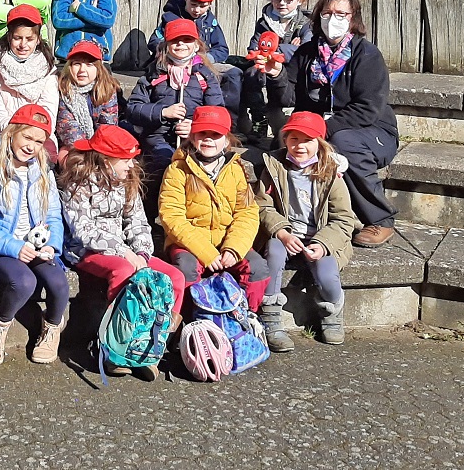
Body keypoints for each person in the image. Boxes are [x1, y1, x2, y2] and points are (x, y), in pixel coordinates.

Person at [264, 0, 400, 248]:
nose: (332, 19)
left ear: (353, 18)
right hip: (319, 128)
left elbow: (368, 108)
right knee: (280, 147)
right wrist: (276, 74)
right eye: (327, 13)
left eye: (341, 14)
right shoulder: (306, 53)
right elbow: (287, 97)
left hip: (372, 130)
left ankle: (381, 219)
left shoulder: (367, 55)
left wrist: (318, 131)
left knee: (343, 142)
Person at [57, 125, 184, 377]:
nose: (131, 165)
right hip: (87, 250)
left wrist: (144, 253)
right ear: (106, 159)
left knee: (175, 278)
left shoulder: (127, 181)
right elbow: (83, 229)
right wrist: (122, 252)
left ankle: (153, 346)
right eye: (125, 159)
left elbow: (137, 221)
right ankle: (115, 346)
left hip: (126, 249)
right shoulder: (77, 182)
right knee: (124, 271)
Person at [0, 105, 67, 366]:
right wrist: (14, 247)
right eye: (27, 137)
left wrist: (52, 246)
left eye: (39, 141)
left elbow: (54, 217)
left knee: (58, 283)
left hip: (38, 245)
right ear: (12, 133)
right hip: (2, 249)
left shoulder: (44, 172)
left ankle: (51, 330)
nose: (31, 146)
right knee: (24, 282)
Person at [157, 105, 270, 314]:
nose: (208, 139)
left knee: (258, 268)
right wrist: (206, 252)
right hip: (189, 243)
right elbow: (171, 216)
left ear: (226, 140)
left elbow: (247, 213)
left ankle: (243, 317)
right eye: (202, 133)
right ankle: (190, 322)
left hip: (227, 241)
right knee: (186, 269)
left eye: (215, 134)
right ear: (192, 136)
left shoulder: (237, 169)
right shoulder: (178, 170)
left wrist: (234, 248)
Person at [256, 112, 354, 352]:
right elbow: (262, 205)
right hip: (285, 234)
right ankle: (271, 317)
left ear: (319, 143)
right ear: (285, 140)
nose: (299, 146)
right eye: (293, 139)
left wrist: (322, 243)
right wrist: (282, 231)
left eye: (307, 140)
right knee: (274, 254)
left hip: (320, 236)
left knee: (327, 273)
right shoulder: (274, 166)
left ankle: (331, 312)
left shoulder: (331, 173)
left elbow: (344, 218)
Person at [126, 18, 224, 188]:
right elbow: (133, 108)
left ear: (196, 44)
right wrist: (163, 112)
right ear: (166, 44)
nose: (181, 44)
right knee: (164, 163)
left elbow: (218, 113)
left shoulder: (205, 76)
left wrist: (195, 128)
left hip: (196, 139)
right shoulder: (153, 74)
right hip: (157, 137)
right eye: (175, 40)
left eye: (187, 40)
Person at [147, 0, 242, 129]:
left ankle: (227, 124)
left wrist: (205, 58)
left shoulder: (210, 21)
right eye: (193, 4)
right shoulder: (171, 18)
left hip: (202, 64)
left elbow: (222, 49)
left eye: (203, 5)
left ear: (210, 4)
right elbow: (154, 41)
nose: (197, 10)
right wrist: (171, 51)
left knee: (234, 74)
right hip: (174, 64)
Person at [0, 5, 59, 160]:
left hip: (37, 134)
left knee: (46, 154)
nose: (23, 45)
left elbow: (48, 111)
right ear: (9, 37)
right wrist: (15, 132)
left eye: (29, 39)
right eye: (18, 38)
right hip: (3, 131)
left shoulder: (48, 70)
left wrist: (29, 135)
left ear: (38, 40)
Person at [241, 0, 312, 140]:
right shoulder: (264, 22)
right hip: (265, 66)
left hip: (292, 70)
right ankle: (259, 117)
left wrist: (273, 49)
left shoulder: (306, 23)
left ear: (299, 0)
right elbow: (253, 48)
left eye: (289, 0)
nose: (282, 4)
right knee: (251, 74)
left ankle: (292, 126)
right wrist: (289, 48)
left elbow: (305, 52)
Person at [54, 41, 120, 154]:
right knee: (65, 156)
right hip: (72, 145)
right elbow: (67, 126)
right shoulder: (63, 88)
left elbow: (108, 125)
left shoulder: (107, 89)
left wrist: (97, 150)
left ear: (98, 68)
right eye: (77, 64)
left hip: (101, 145)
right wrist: (86, 151)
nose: (82, 70)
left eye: (89, 65)